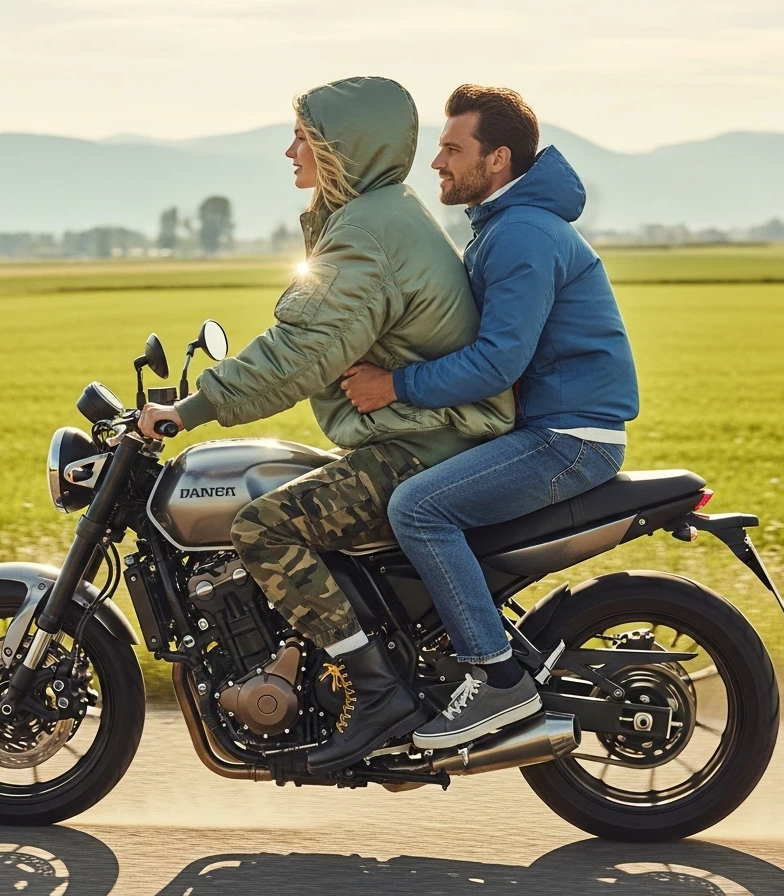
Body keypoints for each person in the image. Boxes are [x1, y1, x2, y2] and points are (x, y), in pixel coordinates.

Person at [138, 76, 514, 771]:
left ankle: (377, 695)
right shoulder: (379, 213)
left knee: (264, 526)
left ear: (344, 149)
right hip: (420, 432)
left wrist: (188, 411)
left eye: (303, 138)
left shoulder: (368, 233)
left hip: (420, 446)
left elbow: (299, 355)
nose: (289, 151)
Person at [341, 84, 639, 750]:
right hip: (548, 429)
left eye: (452, 148)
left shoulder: (522, 234)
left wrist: (394, 385)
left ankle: (496, 676)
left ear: (497, 158)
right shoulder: (505, 226)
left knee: (418, 508)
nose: (437, 163)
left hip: (567, 438)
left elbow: (497, 363)